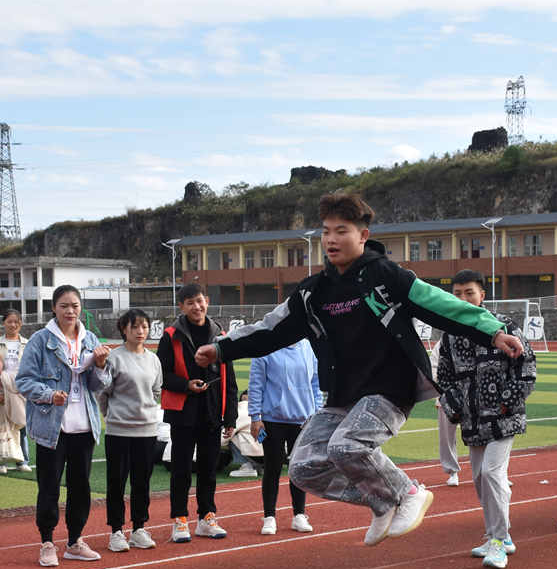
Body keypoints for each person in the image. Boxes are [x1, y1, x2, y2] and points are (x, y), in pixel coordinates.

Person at [195, 192, 524, 546]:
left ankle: (408, 491)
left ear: (363, 236)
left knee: (346, 447)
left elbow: (439, 304)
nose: (331, 240)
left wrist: (492, 331)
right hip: (342, 396)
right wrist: (221, 348)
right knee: (304, 467)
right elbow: (270, 329)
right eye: (325, 232)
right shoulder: (313, 293)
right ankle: (381, 500)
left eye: (342, 231)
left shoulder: (384, 277)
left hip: (388, 389)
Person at [436, 270, 536, 569]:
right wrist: (454, 406)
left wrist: (506, 402)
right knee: (481, 479)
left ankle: (498, 540)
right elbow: (444, 377)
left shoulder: (505, 327)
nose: (463, 298)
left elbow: (527, 368)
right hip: (472, 421)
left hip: (503, 419)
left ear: (482, 295)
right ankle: (496, 535)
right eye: (457, 293)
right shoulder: (451, 335)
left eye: (469, 292)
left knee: (492, 473)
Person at [15, 284, 111, 567]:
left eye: (75, 306)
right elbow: (23, 381)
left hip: (84, 425)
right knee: (49, 486)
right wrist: (48, 395)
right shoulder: (40, 340)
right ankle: (47, 542)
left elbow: (97, 386)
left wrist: (102, 365)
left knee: (81, 487)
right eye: (64, 306)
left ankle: (74, 541)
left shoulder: (90, 338)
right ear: (54, 308)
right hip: (51, 427)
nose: (70, 311)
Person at [158, 283, 238, 543]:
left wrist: (231, 417)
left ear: (208, 301)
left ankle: (206, 516)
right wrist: (186, 386)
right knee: (181, 469)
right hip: (183, 412)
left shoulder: (220, 334)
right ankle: (180, 519)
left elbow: (230, 379)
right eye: (190, 302)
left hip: (212, 412)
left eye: (200, 301)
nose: (197, 307)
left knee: (208, 469)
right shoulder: (171, 336)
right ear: (181, 306)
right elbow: (162, 375)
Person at [98, 308, 161, 552]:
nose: (140, 331)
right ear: (124, 329)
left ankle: (138, 528)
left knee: (141, 482)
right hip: (119, 431)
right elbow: (103, 392)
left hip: (146, 430)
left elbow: (156, 391)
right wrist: (111, 416)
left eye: (144, 326)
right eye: (135, 327)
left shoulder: (153, 359)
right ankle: (116, 530)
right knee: (117, 482)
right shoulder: (115, 358)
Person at [248, 338, 324, 535]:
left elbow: (315, 382)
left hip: (303, 420)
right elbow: (256, 384)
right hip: (272, 420)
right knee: (272, 468)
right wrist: (255, 417)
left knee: (299, 468)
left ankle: (299, 515)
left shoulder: (308, 347)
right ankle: (269, 517)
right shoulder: (266, 347)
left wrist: (317, 412)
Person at [0, 308, 32, 474]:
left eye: (16, 321)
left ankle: (22, 460)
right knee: (1, 424)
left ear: (20, 323)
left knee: (21, 424)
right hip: (3, 386)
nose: (13, 324)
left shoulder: (28, 343)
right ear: (3, 323)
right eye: (9, 321)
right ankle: (1, 460)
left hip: (21, 387)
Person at [431, 341, 461, 487]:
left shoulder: (477, 338)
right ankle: (452, 472)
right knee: (447, 437)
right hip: (447, 396)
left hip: (474, 396)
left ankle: (497, 472)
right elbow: (433, 367)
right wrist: (442, 392)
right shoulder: (443, 342)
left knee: (486, 434)